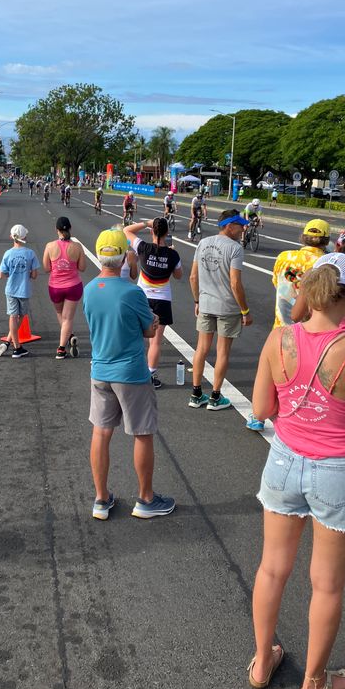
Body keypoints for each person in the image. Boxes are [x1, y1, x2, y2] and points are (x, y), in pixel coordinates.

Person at [248, 255, 345, 689]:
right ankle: (314, 681)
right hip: (336, 473)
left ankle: (263, 661)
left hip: (285, 462)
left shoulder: (278, 338)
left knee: (272, 568)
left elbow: (262, 410)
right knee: (325, 584)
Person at [83, 229, 175, 521]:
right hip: (131, 372)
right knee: (142, 433)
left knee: (101, 432)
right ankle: (146, 499)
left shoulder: (89, 289)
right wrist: (154, 321)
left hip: (100, 370)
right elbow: (148, 330)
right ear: (124, 256)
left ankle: (101, 499)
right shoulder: (132, 292)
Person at [188, 209, 252, 409]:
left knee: (202, 349)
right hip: (228, 307)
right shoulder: (235, 248)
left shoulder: (203, 243)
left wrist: (197, 301)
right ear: (229, 226)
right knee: (222, 351)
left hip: (206, 304)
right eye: (240, 225)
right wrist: (245, 311)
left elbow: (193, 277)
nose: (243, 228)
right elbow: (235, 283)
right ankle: (215, 397)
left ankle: (196, 394)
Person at [124, 218, 182, 389]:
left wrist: (145, 223)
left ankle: (129, 371)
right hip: (162, 300)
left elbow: (126, 231)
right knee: (155, 342)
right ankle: (150, 374)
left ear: (152, 231)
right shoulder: (173, 255)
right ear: (166, 233)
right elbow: (179, 276)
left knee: (134, 336)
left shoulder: (143, 247)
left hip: (141, 298)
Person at [291, 227, 345, 333]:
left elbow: (296, 316)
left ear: (337, 245)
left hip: (315, 333)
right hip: (344, 336)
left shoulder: (314, 271)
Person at [271, 219, 330, 328]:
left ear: (303, 237)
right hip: (307, 331)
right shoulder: (325, 263)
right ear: (326, 241)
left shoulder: (284, 257)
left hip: (280, 328)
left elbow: (276, 283)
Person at [42, 216, 86, 359]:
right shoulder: (77, 247)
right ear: (70, 228)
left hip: (55, 287)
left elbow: (46, 268)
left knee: (61, 315)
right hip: (73, 286)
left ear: (57, 230)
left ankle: (65, 343)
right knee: (68, 318)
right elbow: (82, 268)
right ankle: (63, 344)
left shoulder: (50, 246)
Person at [0, 224, 40, 358]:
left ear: (11, 237)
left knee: (12, 316)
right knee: (21, 316)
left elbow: (1, 274)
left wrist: (11, 273)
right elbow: (34, 275)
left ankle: (11, 344)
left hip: (10, 289)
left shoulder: (8, 253)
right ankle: (16, 347)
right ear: (25, 236)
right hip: (24, 289)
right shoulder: (30, 253)